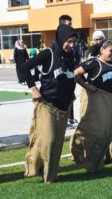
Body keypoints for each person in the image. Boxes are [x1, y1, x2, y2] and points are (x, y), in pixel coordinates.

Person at [20, 24, 78, 183]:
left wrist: (71, 91)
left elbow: (70, 76)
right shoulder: (48, 53)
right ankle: (35, 167)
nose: (71, 45)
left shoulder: (71, 55)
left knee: (57, 143)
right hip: (47, 104)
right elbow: (24, 68)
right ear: (60, 39)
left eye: (73, 42)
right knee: (48, 140)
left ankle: (50, 175)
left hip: (64, 107)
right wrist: (33, 89)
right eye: (69, 41)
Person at [70, 39, 112, 171]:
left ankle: (97, 161)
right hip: (97, 102)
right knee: (94, 129)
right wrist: (86, 85)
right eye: (111, 51)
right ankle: (78, 152)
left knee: (109, 131)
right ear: (102, 50)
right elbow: (75, 73)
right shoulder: (95, 62)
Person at [59, 14, 81, 124]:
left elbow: (77, 57)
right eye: (69, 24)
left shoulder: (73, 40)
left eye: (71, 24)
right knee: (62, 97)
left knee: (70, 96)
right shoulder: (59, 41)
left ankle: (70, 117)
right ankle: (62, 119)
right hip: (61, 75)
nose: (71, 44)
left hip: (71, 74)